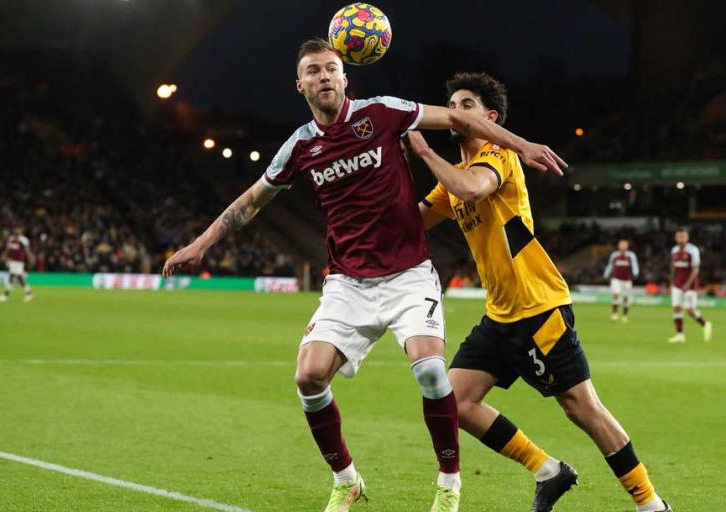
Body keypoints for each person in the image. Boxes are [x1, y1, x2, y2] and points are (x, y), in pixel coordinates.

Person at [162, 40, 567, 512]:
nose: (325, 76)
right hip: (348, 283)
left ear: (345, 76)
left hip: (409, 275)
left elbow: (458, 120)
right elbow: (251, 201)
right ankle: (346, 479)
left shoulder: (383, 112)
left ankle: (449, 483)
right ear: (301, 85)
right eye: (314, 71)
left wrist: (521, 144)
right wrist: (199, 244)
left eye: (332, 68)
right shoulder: (300, 146)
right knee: (309, 377)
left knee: (434, 373)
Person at [410, 71, 671, 512]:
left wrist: (419, 149)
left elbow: (472, 189)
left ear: (490, 117)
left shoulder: (499, 156)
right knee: (455, 400)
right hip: (500, 316)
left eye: (466, 104)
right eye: (451, 104)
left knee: (582, 408)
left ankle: (652, 505)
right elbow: (412, 224)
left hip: (539, 306)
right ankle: (549, 471)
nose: (455, 111)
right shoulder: (449, 180)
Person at [667, 228, 712, 343]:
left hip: (690, 285)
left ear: (687, 238)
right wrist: (671, 282)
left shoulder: (693, 250)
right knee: (676, 307)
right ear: (676, 238)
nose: (681, 239)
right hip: (677, 284)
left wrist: (688, 284)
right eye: (679, 237)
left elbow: (696, 269)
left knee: (689, 310)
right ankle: (680, 335)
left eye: (683, 236)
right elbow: (673, 267)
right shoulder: (674, 250)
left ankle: (706, 324)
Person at [603, 240, 639, 323]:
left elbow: (635, 265)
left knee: (626, 298)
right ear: (619, 246)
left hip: (627, 280)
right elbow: (610, 265)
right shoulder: (614, 255)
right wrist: (606, 273)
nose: (622, 247)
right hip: (616, 279)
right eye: (621, 245)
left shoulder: (631, 255)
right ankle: (615, 314)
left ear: (627, 246)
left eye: (624, 245)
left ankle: (625, 315)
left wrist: (635, 273)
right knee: (615, 295)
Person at [0, 227, 34, 303]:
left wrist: (29, 259)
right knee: (18, 279)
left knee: (14, 278)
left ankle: (6, 296)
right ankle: (29, 294)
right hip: (12, 262)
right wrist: (4, 256)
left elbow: (27, 251)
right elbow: (8, 249)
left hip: (19, 262)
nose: (17, 233)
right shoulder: (11, 239)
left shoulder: (23, 240)